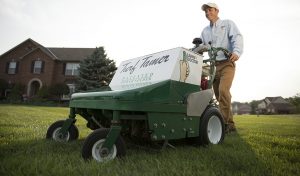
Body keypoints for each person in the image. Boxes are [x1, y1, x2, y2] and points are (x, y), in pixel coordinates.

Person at [200, 3, 243, 132]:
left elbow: (237, 37)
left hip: (227, 63)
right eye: (206, 11)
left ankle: (223, 124)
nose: (208, 13)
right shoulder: (205, 31)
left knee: (224, 90)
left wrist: (237, 51)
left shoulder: (228, 24)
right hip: (213, 66)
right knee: (219, 96)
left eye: (210, 10)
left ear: (217, 10)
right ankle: (230, 124)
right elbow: (202, 47)